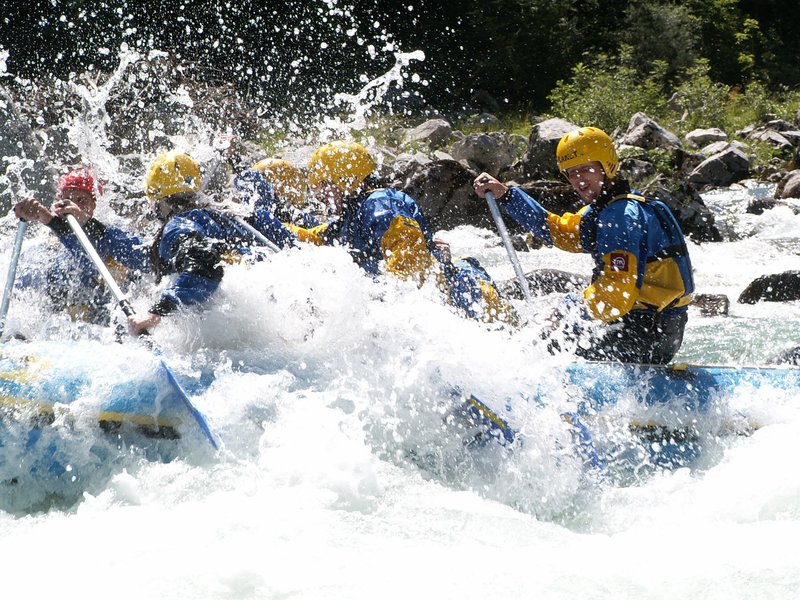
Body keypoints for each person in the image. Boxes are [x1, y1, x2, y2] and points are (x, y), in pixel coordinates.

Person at [473, 126, 695, 363]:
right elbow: (558, 231)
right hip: (646, 328)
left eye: (585, 169)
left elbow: (617, 293)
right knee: (547, 336)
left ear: (607, 166)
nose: (578, 181)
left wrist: (566, 311)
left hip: (645, 335)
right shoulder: (608, 208)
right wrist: (507, 196)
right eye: (571, 173)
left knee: (544, 343)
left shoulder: (621, 217)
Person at [292, 140, 517, 325]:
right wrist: (265, 223)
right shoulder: (352, 215)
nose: (320, 195)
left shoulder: (381, 205)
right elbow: (314, 238)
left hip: (472, 300)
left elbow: (409, 270)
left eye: (324, 185)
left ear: (344, 179)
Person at [127, 150, 292, 336]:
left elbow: (205, 266)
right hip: (280, 312)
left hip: (240, 326)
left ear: (160, 202)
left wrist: (155, 313)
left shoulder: (177, 225)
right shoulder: (231, 216)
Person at [13, 167, 150, 326]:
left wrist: (79, 220)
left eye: (82, 200)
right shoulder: (48, 248)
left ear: (94, 205)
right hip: (72, 329)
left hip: (113, 328)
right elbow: (21, 291)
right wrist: (47, 219)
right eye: (67, 200)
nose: (73, 206)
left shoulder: (114, 234)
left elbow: (144, 259)